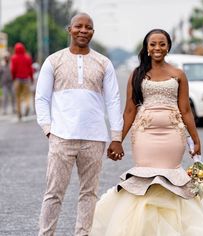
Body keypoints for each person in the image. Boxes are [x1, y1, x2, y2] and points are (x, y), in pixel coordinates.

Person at [90, 29, 203, 236]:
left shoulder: (178, 74)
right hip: (144, 136)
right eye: (153, 44)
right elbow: (130, 110)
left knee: (170, 178)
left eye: (162, 44)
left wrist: (195, 140)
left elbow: (185, 110)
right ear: (147, 48)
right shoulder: (137, 74)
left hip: (173, 136)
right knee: (145, 180)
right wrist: (117, 140)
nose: (157, 48)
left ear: (168, 47)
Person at [35, 13, 124, 236]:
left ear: (93, 32)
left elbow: (113, 100)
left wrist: (116, 137)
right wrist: (48, 129)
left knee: (89, 193)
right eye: (79, 26)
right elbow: (41, 98)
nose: (83, 31)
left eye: (88, 27)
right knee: (53, 192)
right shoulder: (53, 61)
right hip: (61, 137)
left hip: (94, 138)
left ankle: (83, 234)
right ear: (70, 29)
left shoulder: (104, 63)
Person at [11, 42, 33, 120]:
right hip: (26, 79)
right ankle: (27, 106)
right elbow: (30, 69)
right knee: (27, 96)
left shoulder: (14, 58)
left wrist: (13, 79)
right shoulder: (27, 57)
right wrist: (32, 78)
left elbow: (13, 70)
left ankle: (19, 112)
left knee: (18, 97)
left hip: (17, 79)